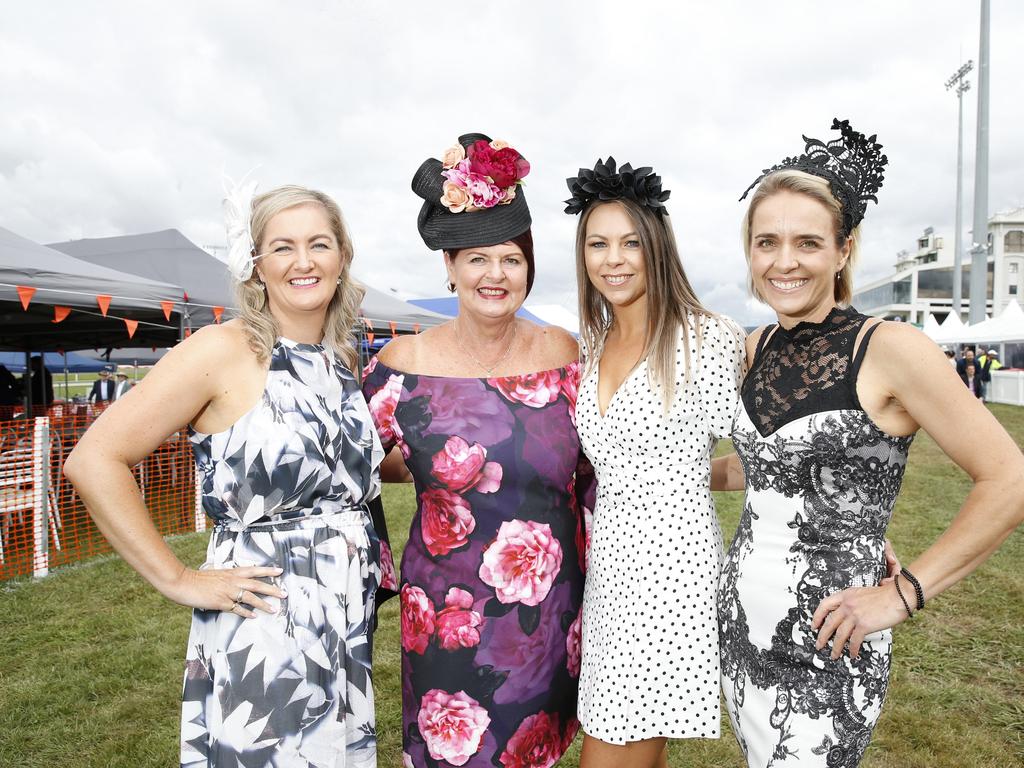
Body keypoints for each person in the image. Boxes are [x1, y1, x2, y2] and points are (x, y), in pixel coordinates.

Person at [713, 118, 1024, 767]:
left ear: (843, 249)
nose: (784, 261)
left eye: (806, 242)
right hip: (739, 624)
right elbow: (767, 466)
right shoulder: (753, 348)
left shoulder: (891, 349)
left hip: (829, 641)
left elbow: (1009, 479)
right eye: (766, 241)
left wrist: (903, 592)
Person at [64, 184, 386, 767]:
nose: (304, 261)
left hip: (345, 619)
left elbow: (341, 469)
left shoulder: (341, 361)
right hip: (265, 618)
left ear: (343, 258)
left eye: (319, 244)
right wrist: (179, 579)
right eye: (283, 247)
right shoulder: (222, 349)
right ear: (257, 265)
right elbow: (93, 460)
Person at [362, 133, 589, 768]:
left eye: (512, 260)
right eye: (478, 259)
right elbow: (347, 468)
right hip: (445, 620)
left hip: (546, 614)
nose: (496, 275)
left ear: (529, 268)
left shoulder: (565, 357)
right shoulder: (403, 365)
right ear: (451, 266)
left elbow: (606, 467)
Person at [564, 157, 744, 768]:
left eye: (630, 243)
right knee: (634, 742)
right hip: (611, 563)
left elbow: (765, 458)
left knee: (612, 748)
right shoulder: (590, 342)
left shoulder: (707, 337)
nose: (613, 259)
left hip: (671, 572)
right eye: (598, 243)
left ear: (657, 248)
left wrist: (846, 518)